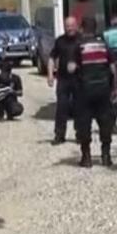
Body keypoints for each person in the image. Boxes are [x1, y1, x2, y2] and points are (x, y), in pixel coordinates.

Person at [72, 17, 117, 168]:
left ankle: (87, 157)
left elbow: (71, 68)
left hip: (84, 91)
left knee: (84, 124)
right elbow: (113, 68)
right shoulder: (103, 45)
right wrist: (115, 88)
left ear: (82, 29)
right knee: (105, 122)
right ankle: (106, 155)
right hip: (103, 89)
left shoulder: (79, 46)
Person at [46, 16, 81, 145]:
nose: (70, 28)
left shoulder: (81, 40)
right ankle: (59, 135)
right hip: (63, 79)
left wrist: (77, 66)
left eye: (72, 25)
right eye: (67, 26)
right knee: (61, 107)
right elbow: (51, 58)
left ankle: (80, 134)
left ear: (76, 26)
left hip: (79, 79)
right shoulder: (60, 41)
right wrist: (50, 75)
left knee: (79, 108)